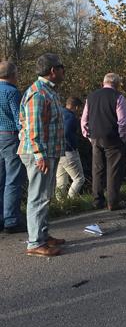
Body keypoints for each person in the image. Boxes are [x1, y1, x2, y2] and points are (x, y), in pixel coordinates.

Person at [18, 53, 66, 257]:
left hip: (48, 153)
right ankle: (35, 242)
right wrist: (40, 154)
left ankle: (43, 235)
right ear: (53, 70)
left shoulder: (48, 91)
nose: (64, 70)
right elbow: (33, 128)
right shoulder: (38, 94)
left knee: (45, 196)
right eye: (62, 67)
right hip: (39, 153)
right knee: (38, 197)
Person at [82, 73, 126, 211]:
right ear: (117, 84)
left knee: (98, 169)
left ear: (103, 83)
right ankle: (113, 202)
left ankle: (97, 201)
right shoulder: (118, 97)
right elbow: (123, 122)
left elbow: (84, 120)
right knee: (113, 170)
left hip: (96, 137)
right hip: (113, 137)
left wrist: (89, 136)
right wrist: (123, 138)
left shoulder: (91, 97)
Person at [0, 61, 26, 234]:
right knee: (13, 179)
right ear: (12, 75)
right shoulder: (12, 92)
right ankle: (11, 219)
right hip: (10, 136)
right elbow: (19, 119)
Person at [56, 97, 85, 199]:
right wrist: (72, 146)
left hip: (57, 151)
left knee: (61, 181)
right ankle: (70, 200)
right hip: (68, 151)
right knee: (79, 178)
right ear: (76, 107)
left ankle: (60, 204)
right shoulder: (71, 117)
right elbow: (67, 132)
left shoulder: (58, 113)